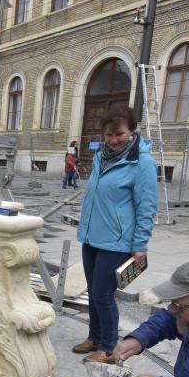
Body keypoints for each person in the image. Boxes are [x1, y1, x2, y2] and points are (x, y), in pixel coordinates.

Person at [73, 105, 156, 363]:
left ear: (131, 131)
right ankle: (95, 337)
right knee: (92, 290)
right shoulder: (102, 157)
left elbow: (147, 205)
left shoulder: (142, 162)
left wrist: (140, 243)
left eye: (119, 133)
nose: (114, 139)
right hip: (93, 237)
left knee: (102, 294)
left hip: (118, 242)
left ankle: (109, 348)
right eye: (108, 134)